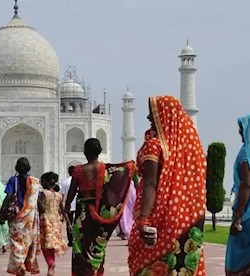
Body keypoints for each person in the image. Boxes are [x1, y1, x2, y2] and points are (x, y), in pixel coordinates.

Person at [128, 96, 207, 275]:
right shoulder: (189, 149)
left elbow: (150, 183)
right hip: (187, 219)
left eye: (153, 113)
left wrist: (144, 219)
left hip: (159, 216)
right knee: (181, 266)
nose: (149, 118)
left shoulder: (154, 145)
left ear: (164, 116)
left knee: (152, 264)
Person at [65, 138, 135, 276]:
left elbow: (72, 192)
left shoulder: (78, 170)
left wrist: (66, 206)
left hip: (83, 213)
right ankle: (96, 272)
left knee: (81, 246)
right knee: (97, 245)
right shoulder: (106, 169)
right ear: (100, 152)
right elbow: (116, 183)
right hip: (100, 212)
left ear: (85, 152)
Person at [3, 157, 41, 275]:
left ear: (16, 168)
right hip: (30, 218)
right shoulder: (34, 181)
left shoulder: (13, 180)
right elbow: (37, 200)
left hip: (17, 217)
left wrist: (2, 211)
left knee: (17, 243)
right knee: (28, 242)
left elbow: (9, 196)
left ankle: (20, 265)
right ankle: (25, 263)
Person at [225, 115, 250, 275]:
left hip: (247, 216)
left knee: (237, 260)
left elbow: (246, 183)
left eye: (242, 127)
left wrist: (238, 217)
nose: (239, 131)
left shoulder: (245, 153)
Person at [38, 172, 69, 276]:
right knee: (53, 245)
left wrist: (37, 200)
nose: (41, 183)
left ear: (49, 181)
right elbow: (63, 210)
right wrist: (68, 223)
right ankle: (51, 267)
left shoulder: (44, 193)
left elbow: (42, 209)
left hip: (46, 220)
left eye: (43, 181)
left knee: (45, 245)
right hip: (56, 221)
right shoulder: (59, 195)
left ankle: (51, 263)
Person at [60, 165, 76, 246]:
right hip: (77, 205)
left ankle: (70, 241)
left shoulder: (65, 182)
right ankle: (77, 240)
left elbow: (62, 195)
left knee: (69, 223)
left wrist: (62, 206)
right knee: (77, 223)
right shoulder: (78, 181)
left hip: (68, 206)